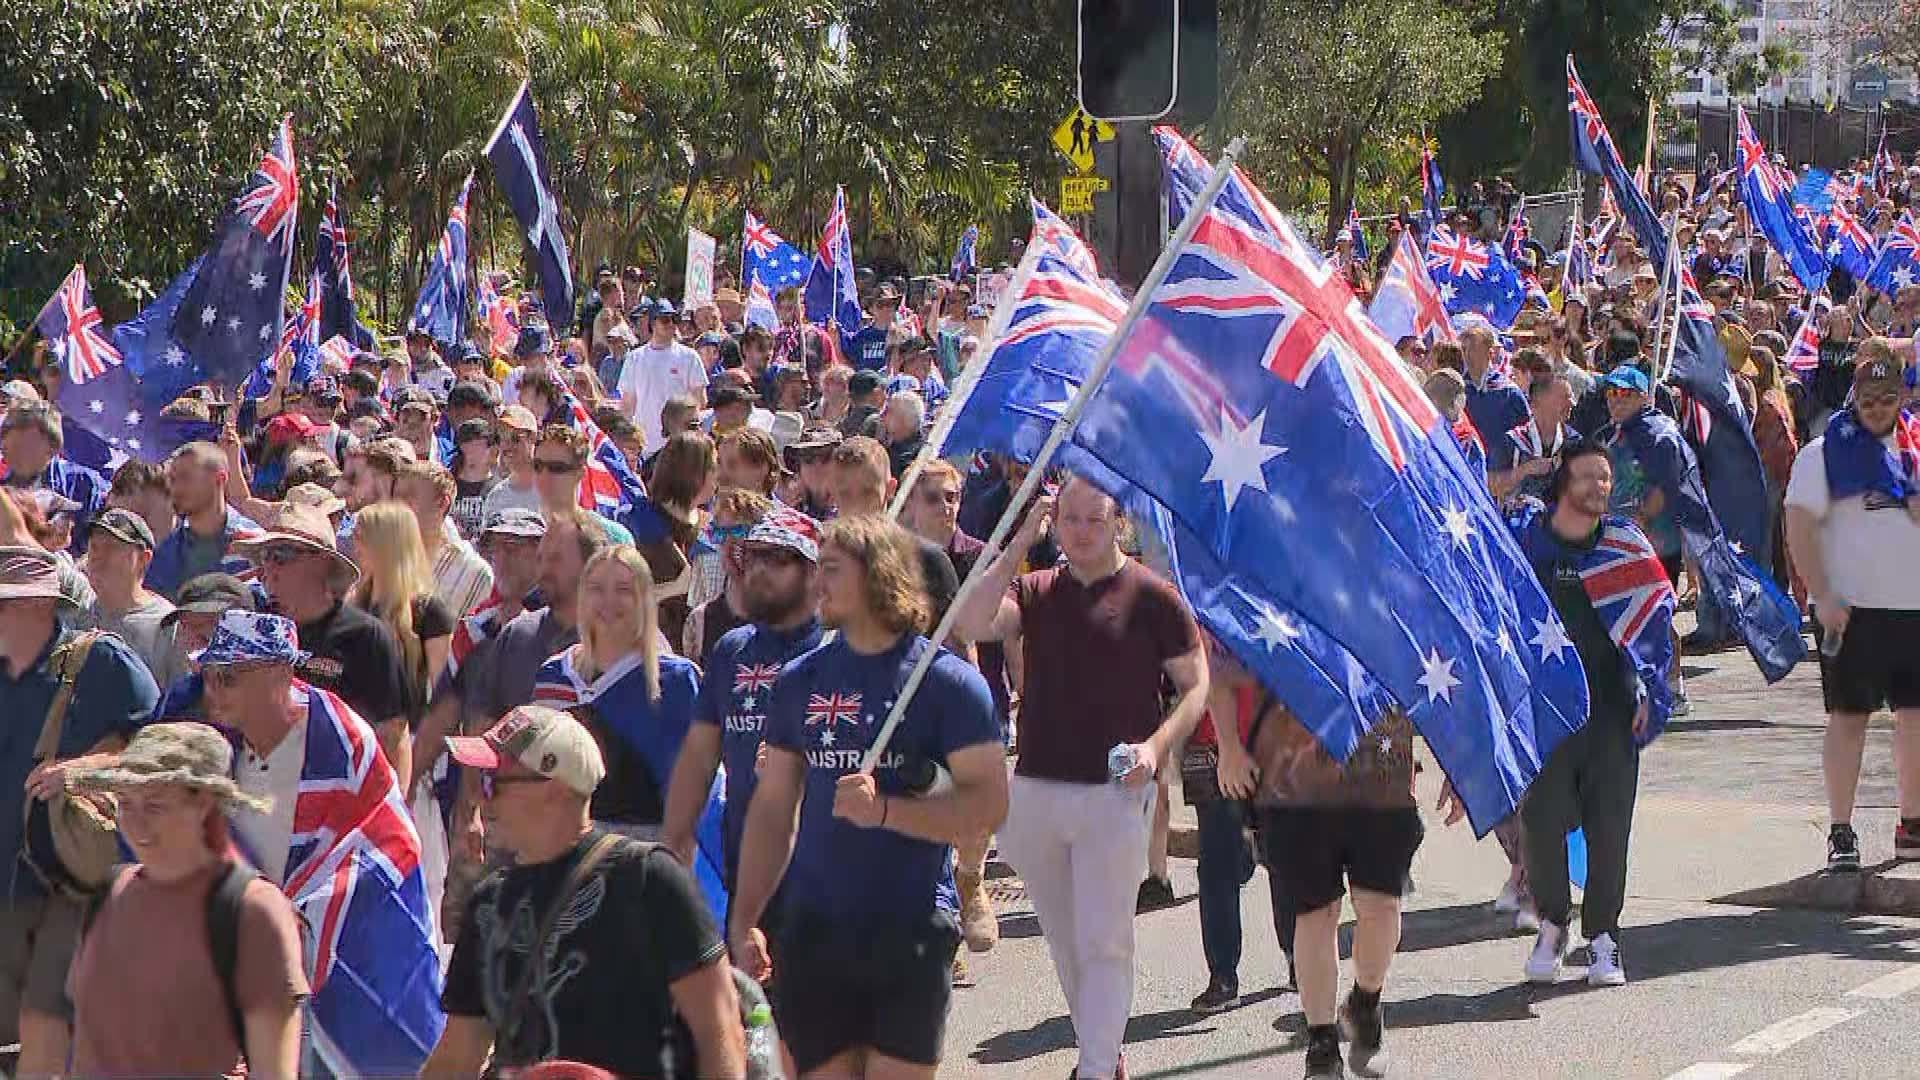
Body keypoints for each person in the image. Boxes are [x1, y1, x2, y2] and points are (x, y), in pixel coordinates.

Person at [729, 516, 1007, 1080]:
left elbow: (989, 808)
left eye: (830, 569)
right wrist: (746, 918)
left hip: (910, 928)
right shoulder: (799, 681)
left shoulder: (949, 684)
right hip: (814, 929)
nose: (817, 584)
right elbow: (773, 811)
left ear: (878, 576)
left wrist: (886, 811)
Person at [954, 479, 1208, 1080]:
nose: (1081, 531)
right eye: (1068, 519)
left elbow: (1195, 686)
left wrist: (1155, 747)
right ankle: (1105, 1051)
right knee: (1066, 941)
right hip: (1037, 789)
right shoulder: (1036, 588)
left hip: (1115, 793)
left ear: (1117, 523)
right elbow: (972, 618)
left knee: (1105, 938)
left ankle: (1094, 1067)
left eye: (1094, 519)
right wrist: (1020, 538)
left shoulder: (1153, 596)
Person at [428, 705, 746, 1077]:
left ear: (555, 789)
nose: (483, 801)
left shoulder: (648, 880)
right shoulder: (488, 905)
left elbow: (719, 1030)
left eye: (493, 783)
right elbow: (456, 1058)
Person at [192, 609, 443, 1077]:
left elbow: (391, 848)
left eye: (228, 677)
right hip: (254, 960)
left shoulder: (344, 745)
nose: (213, 691)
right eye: (208, 675)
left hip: (350, 963)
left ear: (278, 675)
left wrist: (303, 912)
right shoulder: (216, 747)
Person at [1507, 442, 1676, 991]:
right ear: (1562, 482)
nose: (1600, 486)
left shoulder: (1625, 546)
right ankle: (1554, 924)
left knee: (1610, 831)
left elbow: (1657, 625)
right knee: (1540, 821)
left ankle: (1605, 939)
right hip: (1546, 715)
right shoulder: (1526, 543)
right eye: (1588, 477)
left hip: (1612, 711)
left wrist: (1655, 690)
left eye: (1606, 478)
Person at [63, 723, 307, 1078]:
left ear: (204, 804)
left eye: (155, 806)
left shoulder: (253, 912)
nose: (136, 824)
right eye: (126, 803)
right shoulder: (107, 896)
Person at [0, 546, 156, 1074]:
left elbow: (160, 755)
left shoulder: (102, 663)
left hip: (65, 890)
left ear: (36, 607)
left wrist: (82, 771)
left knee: (46, 1037)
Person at [1784, 345, 1920, 868]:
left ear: (1902, 396)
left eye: (1889, 398)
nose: (1879, 408)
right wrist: (1822, 593)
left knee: (1914, 718)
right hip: (1852, 608)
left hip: (1912, 608)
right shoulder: (1824, 451)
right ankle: (1842, 830)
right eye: (1869, 399)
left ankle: (1912, 822)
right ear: (1854, 397)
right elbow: (1798, 523)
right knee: (1849, 718)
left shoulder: (1915, 448)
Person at [664, 510, 823, 893]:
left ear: (814, 572)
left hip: (821, 869)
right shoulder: (731, 650)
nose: (761, 569)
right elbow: (701, 754)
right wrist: (679, 834)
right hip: (743, 861)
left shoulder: (838, 651)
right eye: (754, 555)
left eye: (779, 558)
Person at [235, 505, 410, 771]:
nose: (268, 568)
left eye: (281, 554)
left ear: (322, 562)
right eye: (264, 555)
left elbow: (393, 736)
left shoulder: (364, 636)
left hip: (336, 790)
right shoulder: (253, 630)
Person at [345, 501, 455, 794]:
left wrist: (421, 757)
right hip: (356, 747)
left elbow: (443, 694)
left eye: (361, 536)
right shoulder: (354, 605)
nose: (353, 543)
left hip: (407, 750)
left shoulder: (430, 612)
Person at [147, 441, 261, 600]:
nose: (176, 488)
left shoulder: (254, 545)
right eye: (172, 480)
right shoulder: (166, 551)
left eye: (186, 478)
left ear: (220, 479)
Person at [79, 507, 174, 676]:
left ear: (143, 559)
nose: (98, 556)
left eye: (111, 547)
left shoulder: (167, 625)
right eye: (94, 546)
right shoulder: (81, 612)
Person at [0, 402, 105, 553]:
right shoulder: (4, 495)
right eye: (5, 440)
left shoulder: (84, 484)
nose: (7, 447)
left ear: (51, 448)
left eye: (25, 444)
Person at [396, 461, 495, 620]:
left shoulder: (474, 572)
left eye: (409, 496)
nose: (397, 505)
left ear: (442, 503)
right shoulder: (386, 555)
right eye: (396, 496)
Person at [619, 299, 710, 456]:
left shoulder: (689, 357)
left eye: (675, 319)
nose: (671, 324)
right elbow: (628, 404)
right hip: (645, 446)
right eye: (665, 319)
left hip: (680, 446)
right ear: (653, 324)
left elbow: (699, 401)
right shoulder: (635, 358)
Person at [532, 425, 638, 549]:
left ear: (580, 474)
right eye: (537, 466)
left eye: (556, 468)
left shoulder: (614, 537)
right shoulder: (518, 532)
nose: (544, 476)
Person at [1489, 373, 1580, 506]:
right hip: (1514, 523)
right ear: (1538, 403)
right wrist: (1524, 470)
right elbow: (1491, 487)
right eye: (1563, 398)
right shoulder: (1512, 441)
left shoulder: (1574, 442)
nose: (1572, 403)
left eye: (1570, 397)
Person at [481, 404, 543, 521]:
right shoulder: (496, 496)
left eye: (515, 437)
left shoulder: (551, 490)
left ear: (533, 438)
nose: (506, 445)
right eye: (501, 437)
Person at [449, 418, 501, 540]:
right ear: (462, 447)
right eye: (470, 443)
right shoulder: (448, 486)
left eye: (482, 444)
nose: (475, 450)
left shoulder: (500, 489)